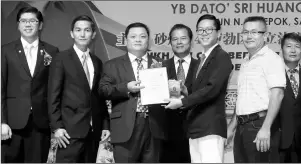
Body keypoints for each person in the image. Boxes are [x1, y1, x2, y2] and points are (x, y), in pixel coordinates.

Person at [165, 14, 233, 163]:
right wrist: (185, 91)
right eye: (201, 30)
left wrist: (182, 102)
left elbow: (212, 89)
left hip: (210, 128)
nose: (204, 33)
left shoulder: (221, 56)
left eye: (209, 29)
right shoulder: (204, 58)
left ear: (218, 33)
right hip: (196, 128)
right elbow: (200, 92)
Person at [98, 22, 167, 163]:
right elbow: (103, 90)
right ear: (126, 40)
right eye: (133, 36)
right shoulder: (112, 65)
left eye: (142, 36)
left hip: (154, 126)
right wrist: (126, 88)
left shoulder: (161, 64)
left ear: (149, 40)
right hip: (125, 127)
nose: (138, 40)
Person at [47, 15, 110, 163]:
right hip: (68, 132)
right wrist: (57, 127)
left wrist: (105, 125)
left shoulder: (97, 62)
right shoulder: (61, 58)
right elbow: (52, 95)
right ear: (71, 33)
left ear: (93, 34)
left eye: (87, 30)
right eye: (78, 30)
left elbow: (99, 97)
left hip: (93, 131)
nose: (82, 34)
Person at [1, 6, 59, 163]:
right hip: (12, 124)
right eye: (23, 21)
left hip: (40, 123)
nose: (28, 25)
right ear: (18, 25)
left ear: (40, 25)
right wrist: (2, 121)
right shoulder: (5, 51)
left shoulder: (52, 51)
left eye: (32, 21)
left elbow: (55, 89)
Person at [226, 16, 285, 163]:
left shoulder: (272, 59)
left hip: (260, 125)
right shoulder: (246, 61)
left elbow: (277, 95)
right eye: (245, 32)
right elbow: (242, 99)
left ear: (264, 35)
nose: (249, 36)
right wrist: (231, 128)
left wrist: (266, 128)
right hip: (242, 127)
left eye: (254, 32)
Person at [161, 24, 199, 163]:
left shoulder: (201, 66)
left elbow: (206, 94)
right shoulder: (160, 67)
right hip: (166, 131)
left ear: (191, 41)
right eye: (175, 39)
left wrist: (186, 93)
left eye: (183, 38)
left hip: (195, 129)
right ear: (170, 42)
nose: (179, 42)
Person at [278, 33, 301, 163]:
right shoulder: (273, 75)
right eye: (289, 46)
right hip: (278, 138)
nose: (293, 50)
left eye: (297, 46)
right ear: (282, 50)